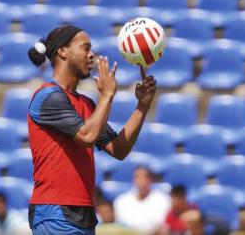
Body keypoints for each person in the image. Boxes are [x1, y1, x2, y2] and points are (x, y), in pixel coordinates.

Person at [26, 24, 157, 234]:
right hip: (55, 211)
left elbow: (119, 149)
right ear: (63, 51)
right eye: (85, 48)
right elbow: (86, 136)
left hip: (85, 214)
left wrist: (142, 106)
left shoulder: (86, 104)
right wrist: (106, 96)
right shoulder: (47, 96)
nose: (92, 54)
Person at [114, 166, 171, 234]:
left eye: (145, 177)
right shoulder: (121, 201)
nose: (141, 180)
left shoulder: (163, 200)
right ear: (133, 180)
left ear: (151, 180)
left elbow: (162, 227)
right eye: (137, 177)